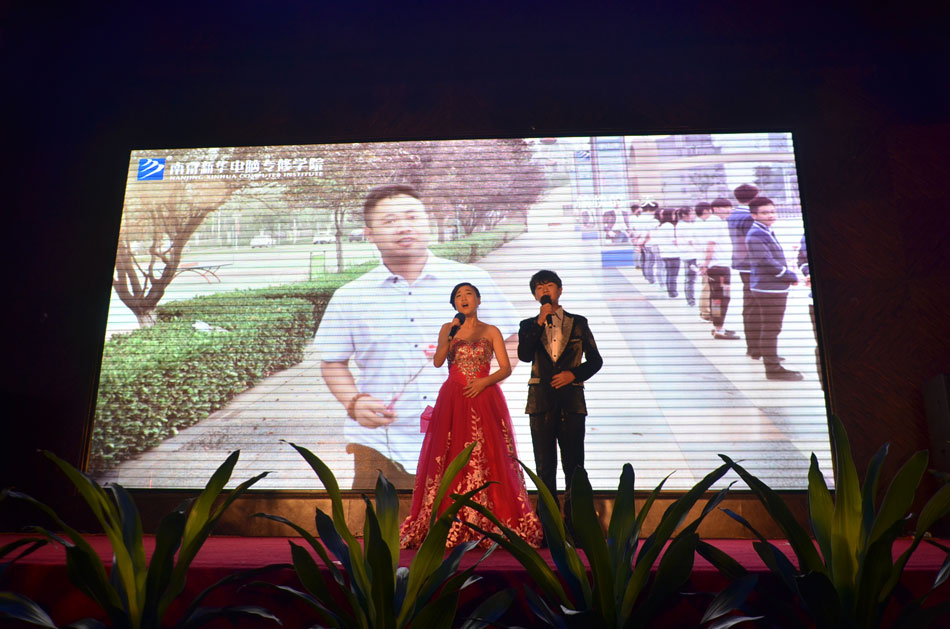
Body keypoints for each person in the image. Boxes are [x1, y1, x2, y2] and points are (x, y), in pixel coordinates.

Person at [313, 184, 520, 489]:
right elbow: (333, 363)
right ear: (369, 234)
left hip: (465, 436)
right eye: (389, 221)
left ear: (427, 223)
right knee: (380, 520)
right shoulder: (350, 297)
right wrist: (353, 402)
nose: (403, 227)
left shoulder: (472, 281)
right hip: (380, 445)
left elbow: (511, 342)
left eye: (412, 217)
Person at [400, 283, 543, 548]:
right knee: (451, 454)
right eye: (458, 296)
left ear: (478, 299)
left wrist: (483, 382)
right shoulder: (448, 328)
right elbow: (438, 361)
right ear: (454, 303)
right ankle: (450, 518)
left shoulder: (491, 330)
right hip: (453, 399)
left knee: (488, 454)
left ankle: (490, 517)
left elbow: (505, 368)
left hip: (484, 397)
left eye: (468, 294)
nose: (463, 298)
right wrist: (450, 335)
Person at [518, 270, 603, 530]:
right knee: (545, 468)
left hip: (572, 402)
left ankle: (577, 526)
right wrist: (538, 322)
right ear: (535, 295)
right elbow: (524, 355)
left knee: (574, 466)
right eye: (539, 287)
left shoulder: (579, 322)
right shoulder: (528, 325)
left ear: (560, 290)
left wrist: (573, 374)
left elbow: (596, 360)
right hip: (540, 403)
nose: (545, 290)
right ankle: (550, 528)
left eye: (550, 285)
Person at [746, 197, 803, 381]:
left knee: (769, 327)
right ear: (754, 215)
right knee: (771, 328)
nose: (770, 215)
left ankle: (770, 357)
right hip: (769, 288)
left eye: (772, 211)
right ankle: (773, 368)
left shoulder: (764, 230)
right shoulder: (756, 234)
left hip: (770, 286)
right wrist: (789, 275)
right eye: (764, 212)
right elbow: (765, 261)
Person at [702, 199, 740, 340]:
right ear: (716, 209)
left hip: (720, 266)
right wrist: (706, 264)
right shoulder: (715, 223)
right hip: (719, 267)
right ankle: (718, 328)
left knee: (719, 298)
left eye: (730, 207)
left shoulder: (718, 222)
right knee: (721, 298)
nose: (729, 210)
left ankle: (718, 325)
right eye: (725, 207)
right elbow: (710, 245)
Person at [727, 184, 758, 356]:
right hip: (751, 264)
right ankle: (755, 348)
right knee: (754, 305)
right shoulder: (749, 217)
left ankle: (752, 347)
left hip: (741, 262)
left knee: (749, 304)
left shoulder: (734, 214)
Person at [653, 208, 681, 298]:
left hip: (664, 253)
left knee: (669, 273)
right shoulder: (669, 226)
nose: (675, 216)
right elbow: (674, 240)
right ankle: (673, 292)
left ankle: (670, 291)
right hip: (673, 253)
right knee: (673, 274)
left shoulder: (661, 226)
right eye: (673, 214)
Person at [676, 207, 698, 307]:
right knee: (690, 279)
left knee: (690, 279)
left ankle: (690, 300)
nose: (694, 215)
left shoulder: (684, 225)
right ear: (684, 215)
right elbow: (692, 241)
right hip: (690, 255)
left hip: (688, 254)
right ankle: (691, 301)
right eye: (691, 213)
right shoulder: (684, 226)